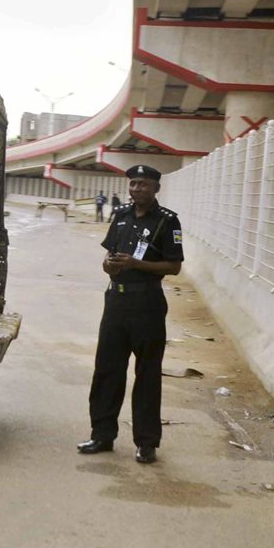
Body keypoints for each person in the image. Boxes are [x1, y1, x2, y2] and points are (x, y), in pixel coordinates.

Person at [77, 164, 183, 464]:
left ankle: (146, 443)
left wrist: (137, 265)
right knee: (107, 370)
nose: (137, 189)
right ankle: (102, 435)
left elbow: (174, 266)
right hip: (116, 302)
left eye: (144, 184)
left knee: (147, 374)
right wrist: (109, 265)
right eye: (134, 183)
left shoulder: (167, 221)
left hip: (147, 303)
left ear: (156, 188)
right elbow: (108, 255)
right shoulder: (121, 215)